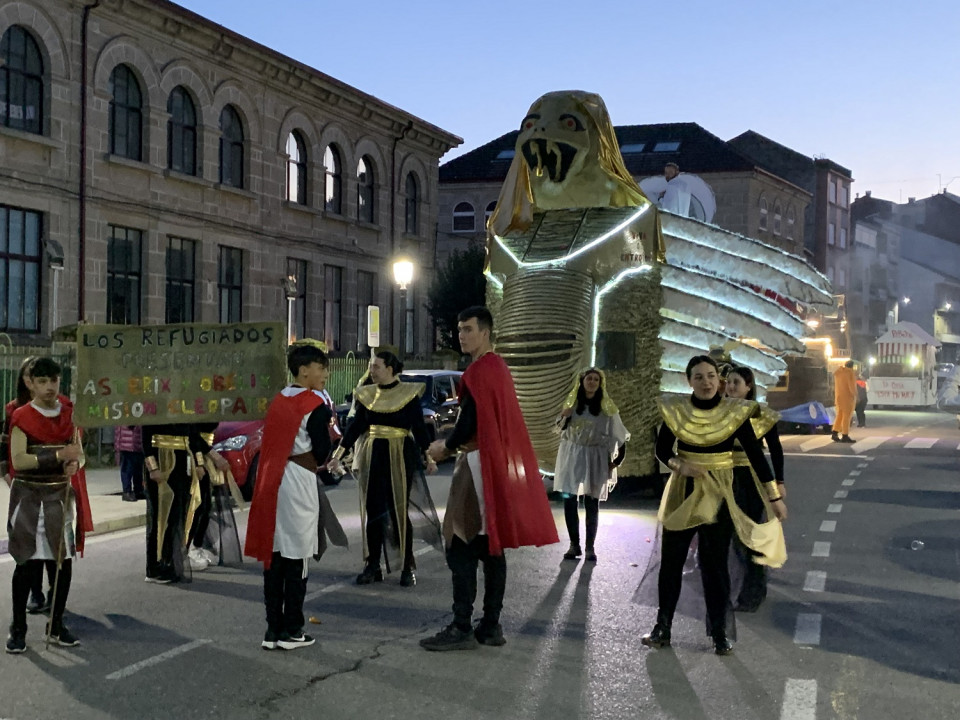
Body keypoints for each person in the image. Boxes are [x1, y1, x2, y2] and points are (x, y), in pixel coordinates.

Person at [421, 306, 559, 651]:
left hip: (477, 463)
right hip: (490, 463)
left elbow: (472, 419)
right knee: (489, 546)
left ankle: (461, 626)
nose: (462, 335)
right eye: (459, 329)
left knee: (461, 543)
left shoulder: (482, 369)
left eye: (468, 329)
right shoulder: (496, 368)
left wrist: (446, 446)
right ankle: (491, 625)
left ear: (485, 332)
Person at [639, 355, 787, 656]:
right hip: (684, 490)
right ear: (689, 381)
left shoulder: (734, 413)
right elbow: (662, 449)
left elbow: (757, 457)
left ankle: (719, 632)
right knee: (672, 560)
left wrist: (775, 496)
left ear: (718, 380)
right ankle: (662, 626)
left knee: (714, 564)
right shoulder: (677, 410)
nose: (706, 382)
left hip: (719, 490)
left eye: (710, 376)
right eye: (698, 377)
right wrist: (679, 465)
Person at [244, 341, 337, 651]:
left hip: (272, 482)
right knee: (297, 555)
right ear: (304, 370)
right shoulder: (314, 405)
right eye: (320, 368)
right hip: (298, 481)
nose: (324, 373)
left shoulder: (280, 399)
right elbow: (323, 450)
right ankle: (294, 629)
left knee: (275, 556)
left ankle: (272, 628)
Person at [331, 351, 440, 587]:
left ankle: (407, 565)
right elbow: (356, 426)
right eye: (371, 366)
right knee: (374, 510)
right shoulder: (367, 394)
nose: (372, 370)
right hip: (374, 454)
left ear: (390, 368)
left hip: (401, 453)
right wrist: (338, 455)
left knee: (399, 510)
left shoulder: (408, 394)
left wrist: (428, 457)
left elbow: (419, 428)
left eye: (377, 366)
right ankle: (373, 565)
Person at [6, 357, 85, 652]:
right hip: (28, 497)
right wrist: (57, 457)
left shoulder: (69, 415)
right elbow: (19, 460)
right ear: (32, 383)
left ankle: (56, 624)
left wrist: (74, 463)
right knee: (26, 564)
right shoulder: (21, 416)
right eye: (42, 381)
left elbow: (78, 452)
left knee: (62, 563)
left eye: (54, 381)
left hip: (58, 497)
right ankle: (18, 629)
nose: (49, 387)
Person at [724, 365, 785, 612]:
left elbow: (776, 449)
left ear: (749, 387)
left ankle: (752, 592)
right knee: (724, 537)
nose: (730, 387)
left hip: (750, 479)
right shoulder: (719, 412)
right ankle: (726, 589)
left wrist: (779, 483)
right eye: (728, 382)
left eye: (736, 382)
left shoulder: (762, 415)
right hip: (723, 476)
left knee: (749, 537)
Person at [553, 367, 629, 563]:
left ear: (600, 383)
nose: (592, 382)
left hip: (595, 456)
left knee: (591, 502)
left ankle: (589, 547)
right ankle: (573, 544)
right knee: (569, 498)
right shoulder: (572, 405)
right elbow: (558, 428)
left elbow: (620, 436)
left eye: (596, 379)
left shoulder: (607, 408)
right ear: (582, 381)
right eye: (589, 378)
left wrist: (616, 462)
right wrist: (565, 416)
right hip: (572, 455)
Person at [141, 422, 213, 583]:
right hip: (162, 457)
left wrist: (199, 462)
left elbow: (193, 435)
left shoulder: (184, 406)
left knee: (177, 515)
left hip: (182, 460)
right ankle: (154, 568)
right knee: (160, 515)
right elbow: (145, 434)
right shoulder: (156, 405)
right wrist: (153, 467)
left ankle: (169, 562)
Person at [115, 425, 145, 502]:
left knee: (138, 468)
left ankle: (138, 490)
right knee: (127, 468)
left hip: (138, 442)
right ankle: (126, 491)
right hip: (126, 443)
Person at [832, 360, 857, 443]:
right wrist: (855, 395)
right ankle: (845, 435)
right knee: (846, 416)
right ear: (852, 366)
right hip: (847, 398)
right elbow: (851, 386)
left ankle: (834, 433)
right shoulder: (849, 373)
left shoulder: (838, 373)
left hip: (838, 396)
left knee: (839, 415)